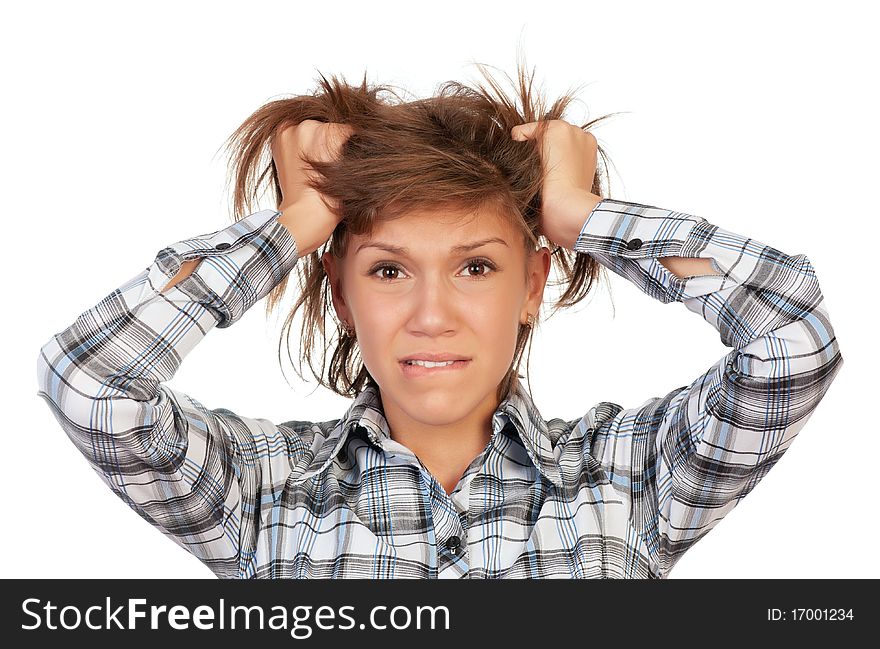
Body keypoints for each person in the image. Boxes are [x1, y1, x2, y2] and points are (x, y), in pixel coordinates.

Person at [35, 66, 843, 579]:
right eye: (389, 270)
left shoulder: (630, 479)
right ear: (342, 295)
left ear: (531, 285)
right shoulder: (259, 491)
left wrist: (581, 214)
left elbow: (792, 340)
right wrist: (295, 221)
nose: (432, 315)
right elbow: (90, 380)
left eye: (476, 267)